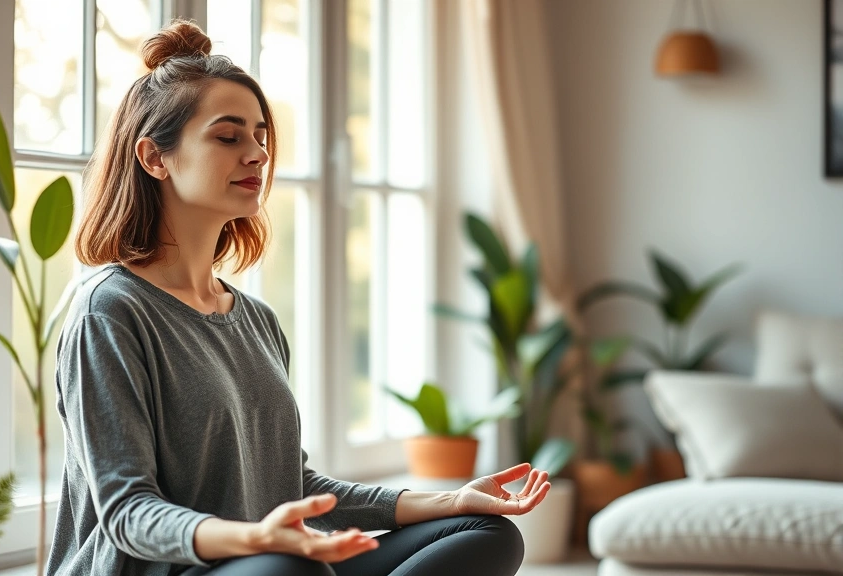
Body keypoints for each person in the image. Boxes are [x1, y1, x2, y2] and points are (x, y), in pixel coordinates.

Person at [46, 19, 551, 576]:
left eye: (261, 135)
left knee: (483, 533)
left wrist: (450, 500)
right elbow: (128, 514)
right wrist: (254, 537)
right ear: (154, 157)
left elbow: (295, 482)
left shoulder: (254, 318)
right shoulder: (110, 311)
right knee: (291, 569)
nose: (258, 154)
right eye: (228, 135)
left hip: (269, 564)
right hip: (181, 570)